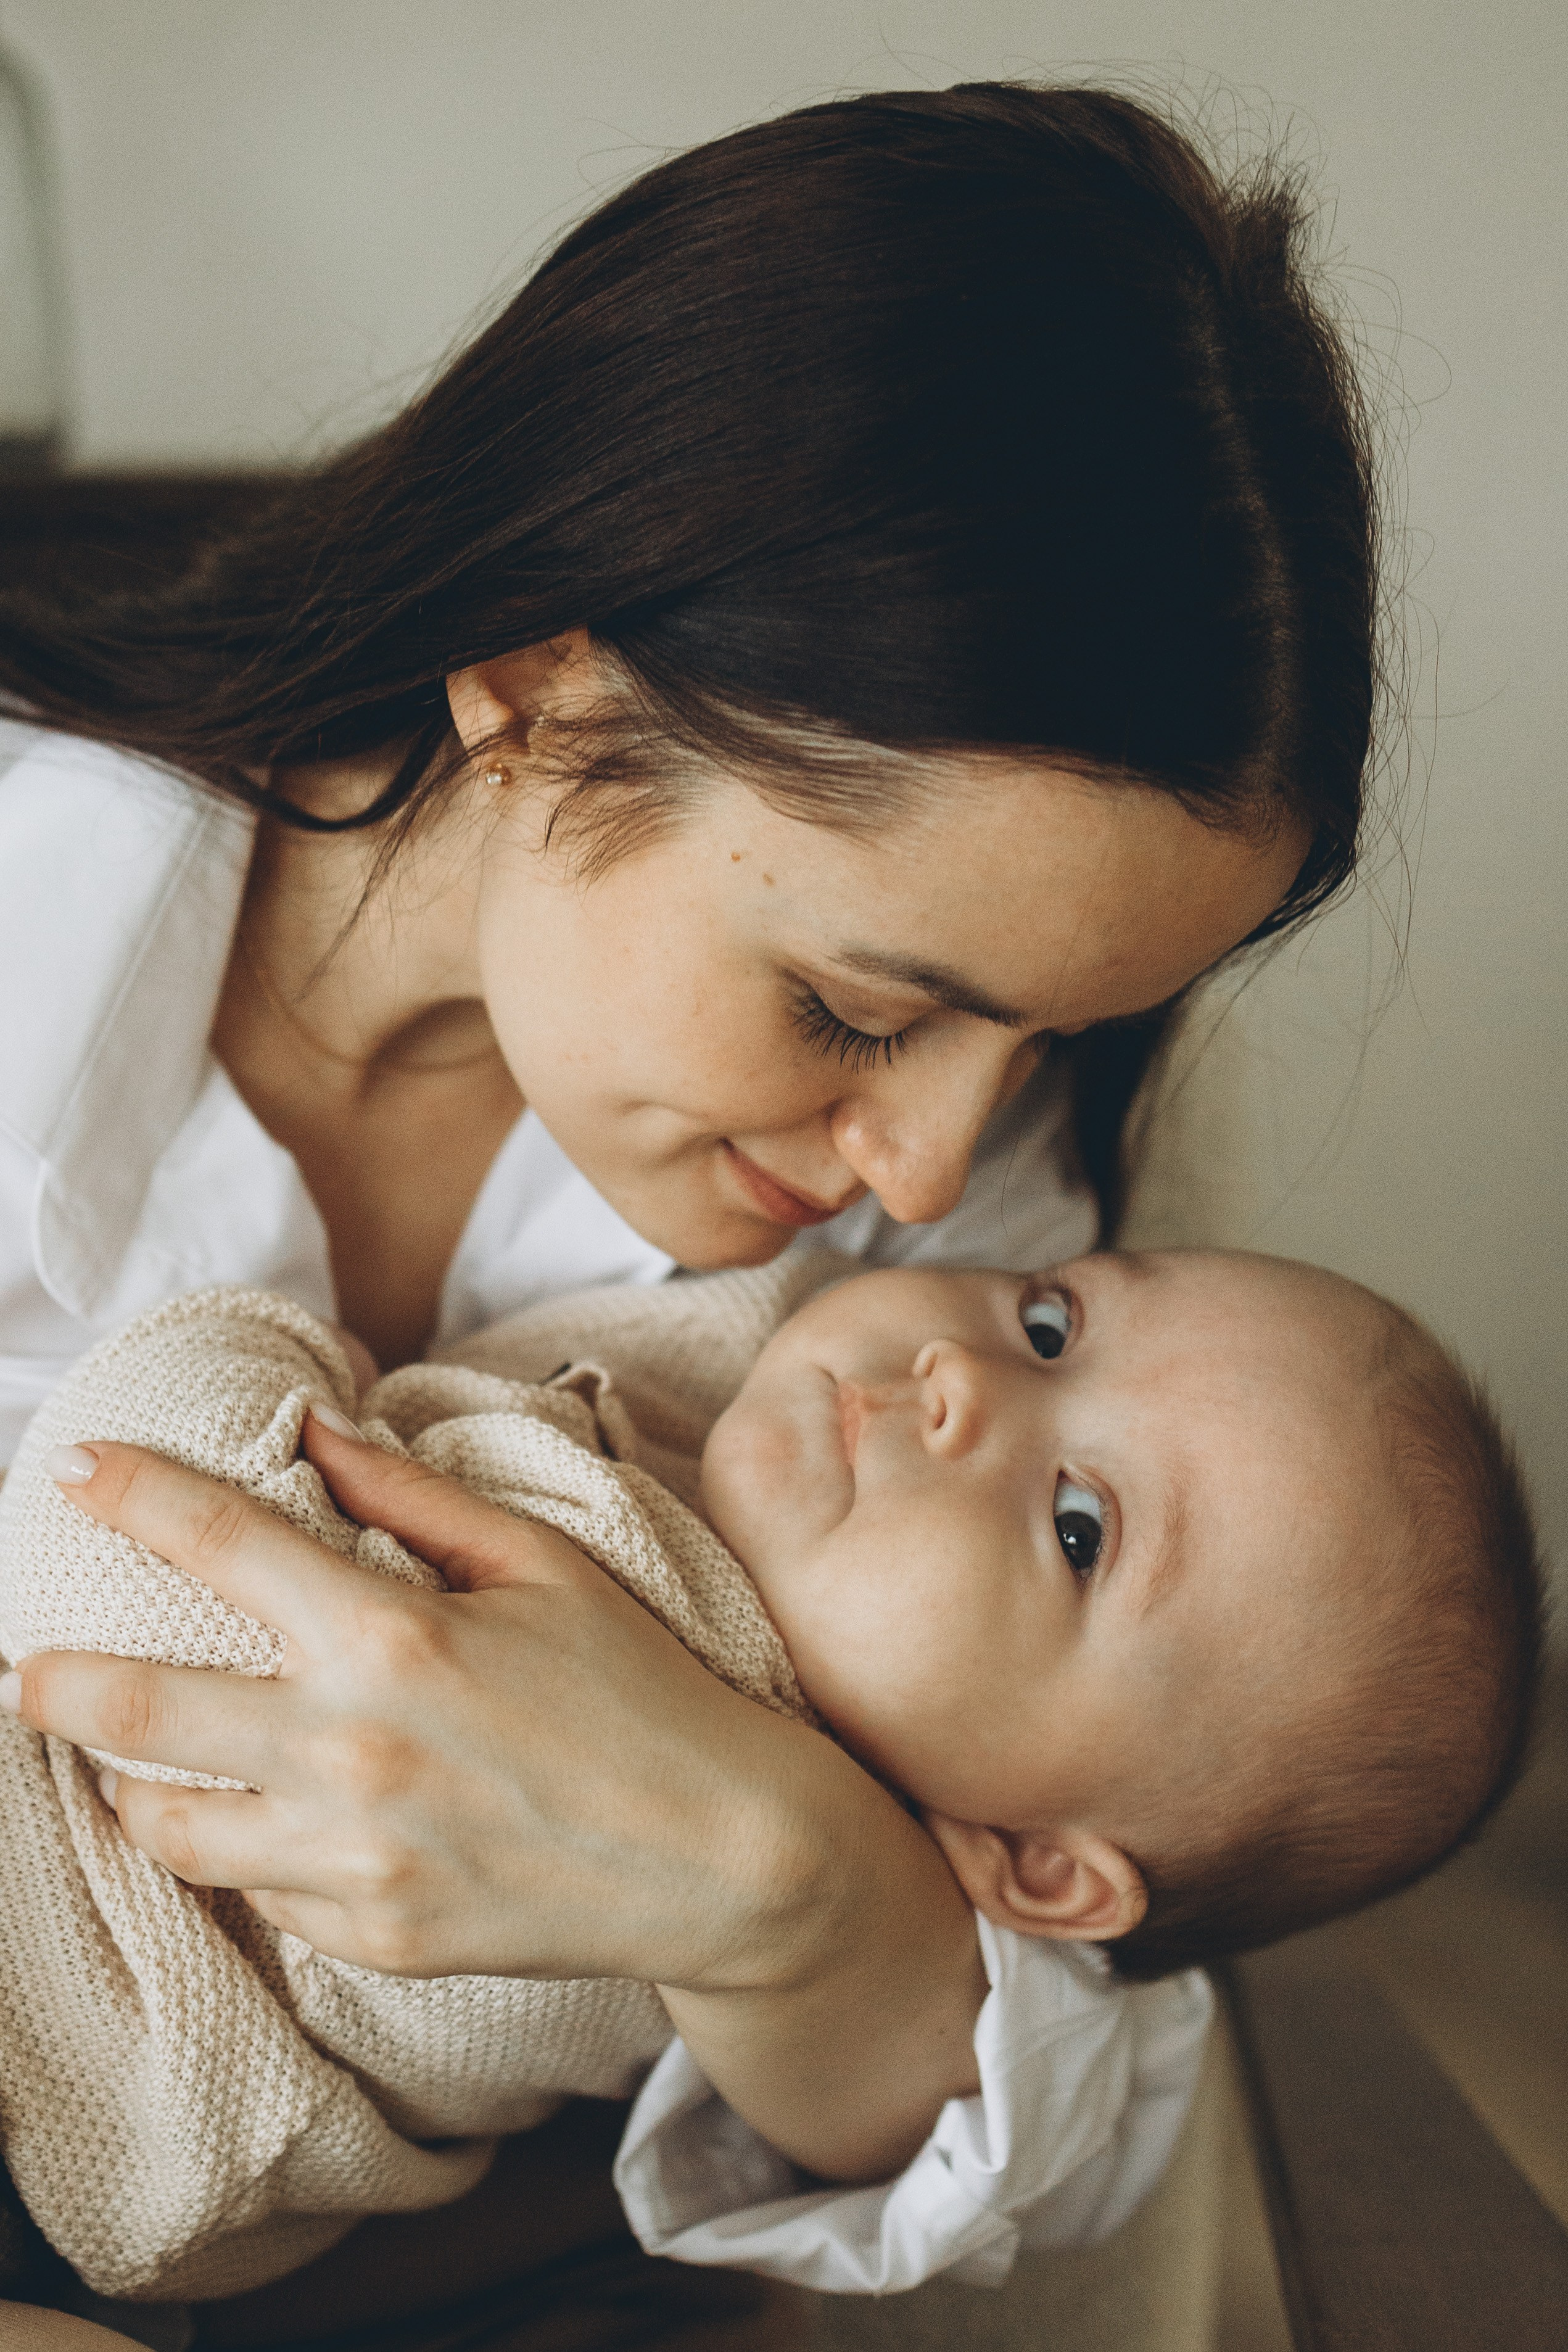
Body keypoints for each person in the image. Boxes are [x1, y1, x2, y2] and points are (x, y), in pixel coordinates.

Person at [0, 78, 1382, 2350]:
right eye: (853, 1008)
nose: (935, 1179)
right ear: (539, 687)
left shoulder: (965, 1309)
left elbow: (1055, 2115)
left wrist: (797, 1899)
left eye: (1044, 1041)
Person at [0, 1245, 1540, 2306]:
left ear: (1049, 1865)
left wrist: (259, 1345)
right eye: (1054, 1322)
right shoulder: (740, 1358)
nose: (957, 1375)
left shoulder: (659, 1793)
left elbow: (118, 1554)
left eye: (1077, 1526)